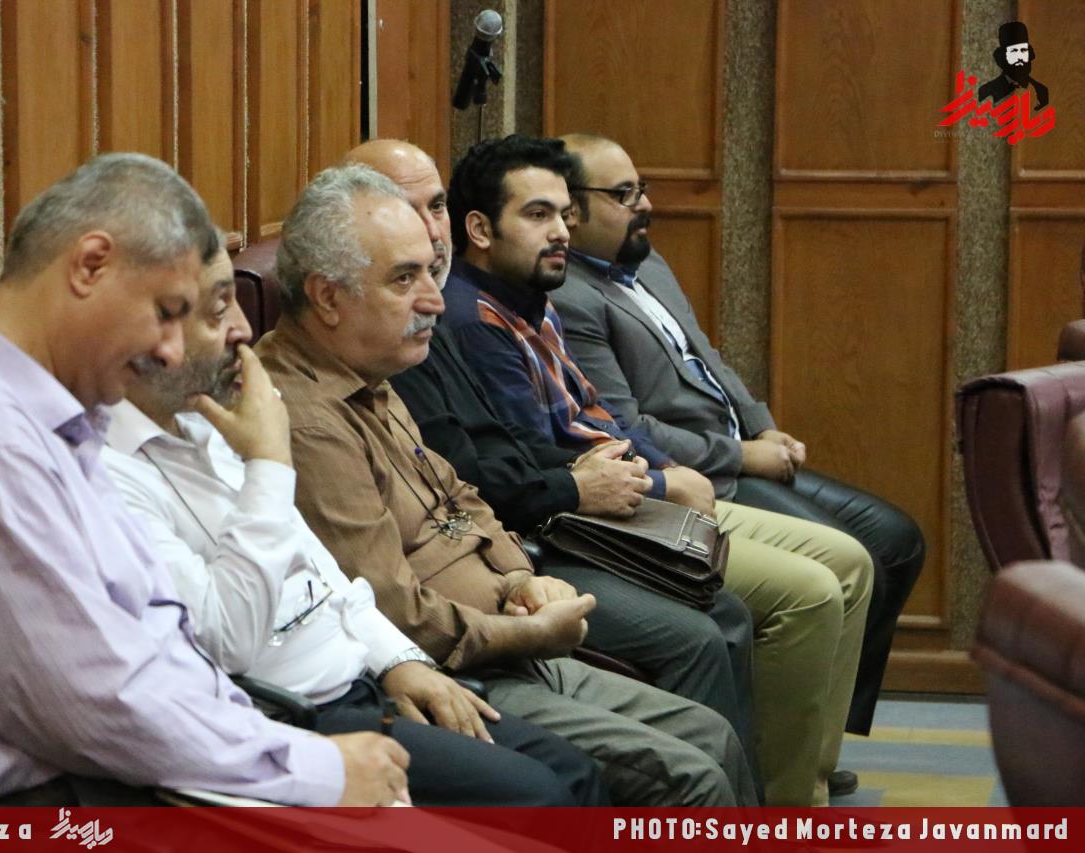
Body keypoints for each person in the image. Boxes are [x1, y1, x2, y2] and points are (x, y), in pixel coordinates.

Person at [0, 153, 409, 807]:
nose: (171, 351)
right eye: (167, 311)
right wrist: (315, 769)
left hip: (153, 774)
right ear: (90, 266)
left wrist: (288, 754)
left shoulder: (50, 423)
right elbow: (101, 704)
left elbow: (167, 650)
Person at [256, 162, 757, 807]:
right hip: (461, 670)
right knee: (691, 774)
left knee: (711, 733)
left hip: (511, 627)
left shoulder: (370, 369)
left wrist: (522, 579)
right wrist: (533, 631)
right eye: (405, 279)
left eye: (428, 273)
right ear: (327, 297)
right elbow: (393, 614)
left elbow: (460, 494)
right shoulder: (305, 420)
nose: (435, 299)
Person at [440, 134, 872, 806]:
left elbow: (604, 414)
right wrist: (664, 478)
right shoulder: (473, 319)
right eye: (538, 214)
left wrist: (668, 468)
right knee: (778, 601)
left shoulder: (529, 298)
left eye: (562, 214)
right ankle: (772, 801)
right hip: (577, 523)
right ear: (479, 229)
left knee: (848, 561)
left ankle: (784, 790)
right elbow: (524, 462)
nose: (560, 232)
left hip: (629, 488)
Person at [100, 242, 608, 806]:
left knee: (573, 771)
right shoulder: (106, 474)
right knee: (543, 795)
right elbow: (229, 643)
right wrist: (269, 462)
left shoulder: (202, 419)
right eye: (219, 310)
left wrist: (397, 661)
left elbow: (321, 571)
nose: (242, 329)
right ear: (148, 331)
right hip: (290, 716)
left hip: (366, 673)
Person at [555, 132, 925, 739]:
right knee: (850, 564)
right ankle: (794, 752)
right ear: (572, 209)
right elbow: (629, 428)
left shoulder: (644, 262)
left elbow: (706, 357)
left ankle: (825, 733)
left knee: (898, 540)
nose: (645, 204)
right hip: (699, 473)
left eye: (642, 188)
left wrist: (762, 423)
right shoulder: (570, 297)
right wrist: (744, 454)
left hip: (738, 446)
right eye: (624, 194)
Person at [977, 21, 1048, 109]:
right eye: (1014, 51)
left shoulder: (1041, 90)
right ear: (1004, 56)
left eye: (1023, 50)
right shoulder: (987, 91)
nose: (1020, 57)